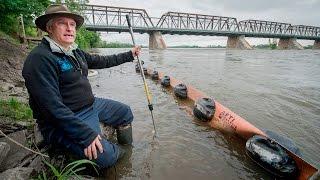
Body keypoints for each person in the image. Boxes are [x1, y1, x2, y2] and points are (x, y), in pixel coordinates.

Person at [22, 4, 140, 168]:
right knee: (105, 158)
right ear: (49, 28)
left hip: (92, 105)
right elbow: (51, 108)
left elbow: (101, 61)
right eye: (62, 23)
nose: (69, 28)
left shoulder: (74, 52)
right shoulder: (39, 59)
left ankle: (127, 149)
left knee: (125, 112)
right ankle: (122, 155)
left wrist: (129, 55)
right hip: (65, 118)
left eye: (72, 25)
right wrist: (85, 135)